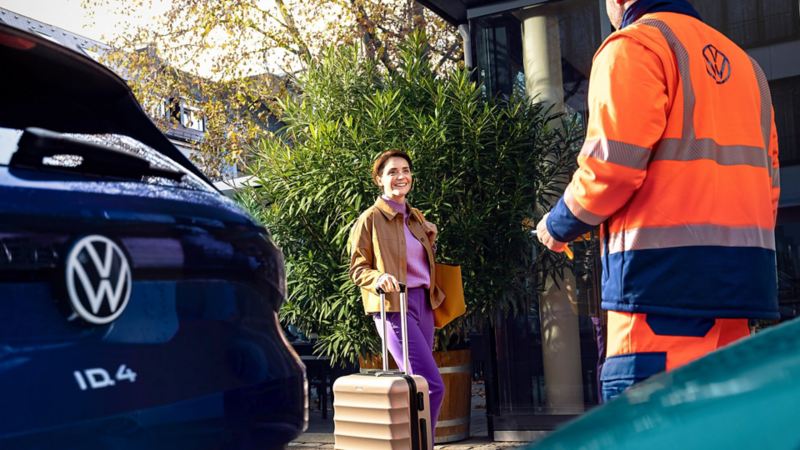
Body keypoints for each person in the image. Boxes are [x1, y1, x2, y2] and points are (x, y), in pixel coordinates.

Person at [536, 0, 780, 401]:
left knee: (649, 426)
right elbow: (768, 186)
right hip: (739, 290)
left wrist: (559, 224)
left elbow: (612, 165)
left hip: (658, 287)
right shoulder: (748, 69)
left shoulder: (636, 46)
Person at [348, 149, 445, 431]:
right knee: (431, 385)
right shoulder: (370, 219)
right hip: (393, 307)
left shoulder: (416, 217)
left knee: (418, 386)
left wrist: (431, 239)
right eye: (392, 172)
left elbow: (419, 263)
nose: (400, 176)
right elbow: (357, 268)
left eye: (405, 170)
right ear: (379, 179)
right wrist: (378, 278)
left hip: (423, 304)